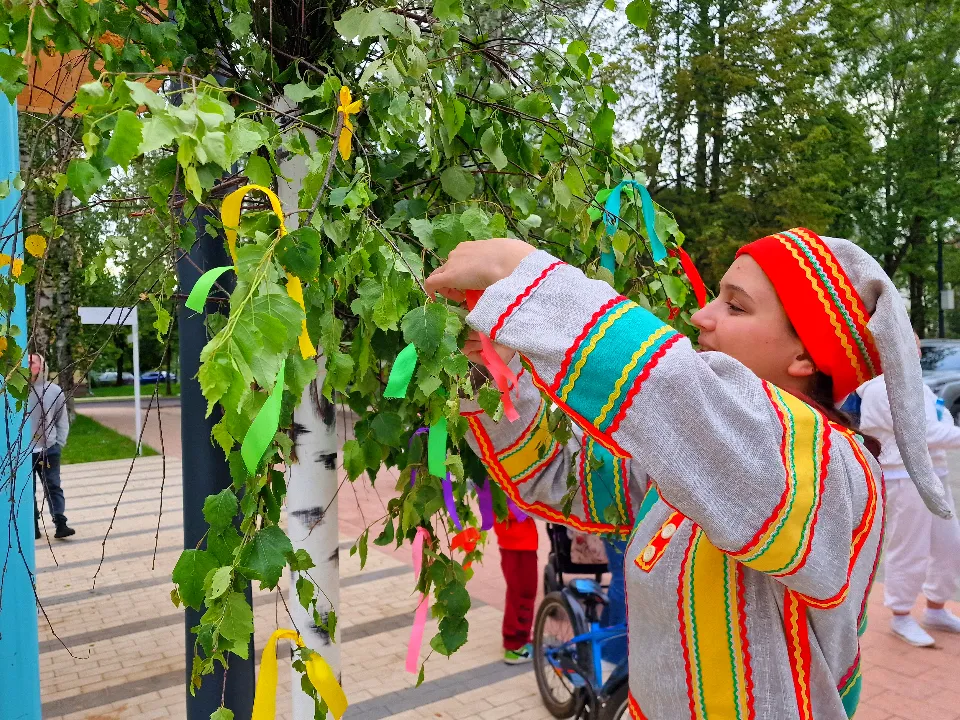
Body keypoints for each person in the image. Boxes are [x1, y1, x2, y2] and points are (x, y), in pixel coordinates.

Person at [428, 228, 952, 719]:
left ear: (803, 355)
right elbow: (560, 478)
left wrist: (523, 276)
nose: (702, 315)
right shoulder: (689, 462)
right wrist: (495, 371)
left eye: (735, 304)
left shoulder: (838, 470)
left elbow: (680, 394)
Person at [858, 348, 960, 647]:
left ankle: (936, 609)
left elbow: (935, 427)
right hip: (904, 476)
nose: (912, 351)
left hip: (933, 474)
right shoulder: (882, 388)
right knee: (910, 547)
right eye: (903, 343)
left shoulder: (916, 384)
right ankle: (901, 614)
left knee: (949, 546)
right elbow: (922, 434)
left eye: (913, 344)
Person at [28, 353, 74, 539]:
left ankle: (60, 523)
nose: (28, 365)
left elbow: (62, 419)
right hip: (23, 453)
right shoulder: (16, 391)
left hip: (48, 450)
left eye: (32, 362)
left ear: (42, 367)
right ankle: (33, 526)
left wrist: (59, 442)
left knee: (53, 486)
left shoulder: (54, 391)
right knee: (26, 491)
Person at [494, 508, 539, 663]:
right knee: (520, 593)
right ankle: (514, 645)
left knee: (525, 591)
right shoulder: (495, 486)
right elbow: (502, 510)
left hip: (521, 541)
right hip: (516, 543)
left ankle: (522, 638)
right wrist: (531, 506)